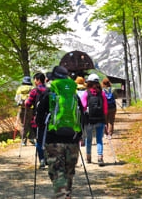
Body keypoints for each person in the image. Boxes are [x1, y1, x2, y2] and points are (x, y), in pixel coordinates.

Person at [36, 65, 84, 198]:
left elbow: (39, 118)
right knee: (68, 175)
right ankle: (66, 195)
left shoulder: (48, 93)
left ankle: (63, 196)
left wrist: (41, 132)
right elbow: (82, 116)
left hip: (53, 141)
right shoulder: (74, 94)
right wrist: (79, 135)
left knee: (57, 175)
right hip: (72, 141)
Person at [80, 73, 108, 165]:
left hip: (89, 120)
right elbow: (105, 108)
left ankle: (88, 157)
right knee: (99, 139)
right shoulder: (102, 93)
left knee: (89, 139)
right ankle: (100, 157)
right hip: (100, 119)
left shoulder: (86, 93)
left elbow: (83, 106)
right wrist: (105, 120)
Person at [25, 72, 48, 168]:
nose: (34, 81)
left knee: (39, 140)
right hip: (49, 119)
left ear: (38, 80)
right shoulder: (50, 90)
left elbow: (28, 104)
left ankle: (42, 160)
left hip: (37, 119)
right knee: (47, 139)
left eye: (35, 79)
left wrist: (26, 100)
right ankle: (48, 158)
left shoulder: (34, 91)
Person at [14, 75, 33, 145]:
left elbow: (16, 98)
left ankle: (23, 140)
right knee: (31, 123)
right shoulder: (32, 88)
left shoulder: (20, 88)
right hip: (31, 108)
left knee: (23, 124)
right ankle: (31, 138)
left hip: (22, 108)